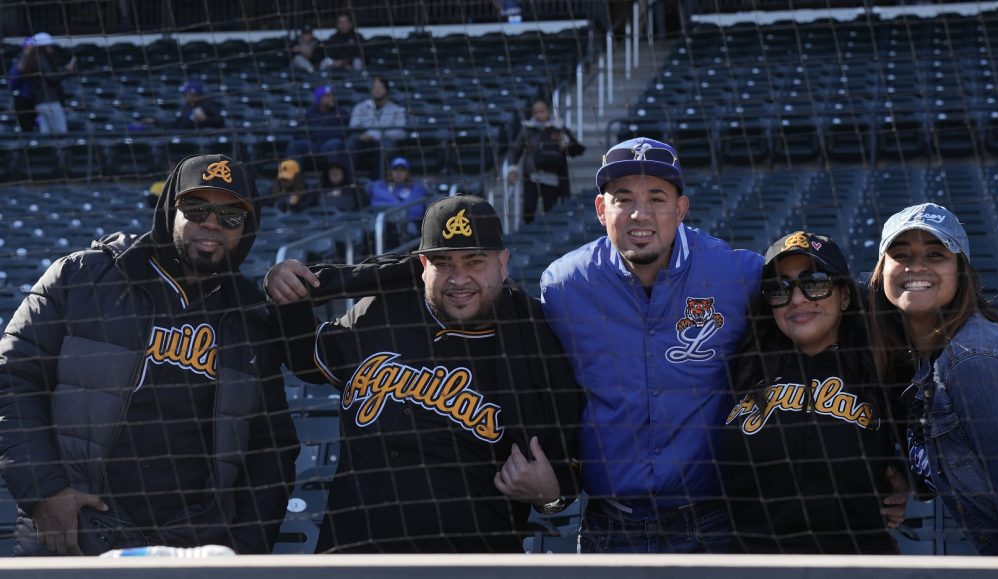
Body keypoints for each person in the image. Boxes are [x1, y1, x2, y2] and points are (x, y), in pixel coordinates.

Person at [0, 154, 298, 556]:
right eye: (196, 208)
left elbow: (271, 450)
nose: (212, 223)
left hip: (194, 547)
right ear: (170, 210)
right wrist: (45, 492)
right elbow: (12, 379)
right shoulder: (80, 277)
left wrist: (243, 549)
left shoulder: (252, 320)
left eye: (231, 215)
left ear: (247, 228)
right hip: (72, 533)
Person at [265, 195, 583, 553]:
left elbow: (566, 480)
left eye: (475, 261)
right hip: (354, 557)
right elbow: (307, 361)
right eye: (443, 263)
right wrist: (284, 288)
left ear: (502, 263)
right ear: (422, 265)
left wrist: (549, 497)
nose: (458, 279)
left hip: (472, 563)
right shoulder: (380, 311)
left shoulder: (536, 342)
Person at [539, 137, 762, 553]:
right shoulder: (564, 285)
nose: (640, 214)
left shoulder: (739, 275)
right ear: (601, 209)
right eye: (623, 199)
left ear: (681, 208)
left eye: (657, 198)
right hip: (608, 524)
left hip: (711, 522)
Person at [723, 231, 907, 554]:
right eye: (779, 289)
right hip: (752, 564)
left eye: (815, 283)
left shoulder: (885, 368)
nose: (797, 299)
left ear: (845, 296)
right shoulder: (741, 368)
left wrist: (904, 475)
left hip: (857, 565)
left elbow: (928, 449)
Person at [868, 202, 998, 556]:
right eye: (901, 254)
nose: (916, 266)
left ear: (961, 272)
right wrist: (905, 472)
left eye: (935, 254)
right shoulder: (920, 354)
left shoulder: (975, 360)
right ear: (882, 272)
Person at [506, 98, 584, 224]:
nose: (539, 114)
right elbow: (515, 150)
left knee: (551, 210)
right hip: (532, 175)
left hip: (554, 176)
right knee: (529, 209)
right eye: (535, 112)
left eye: (542, 111)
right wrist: (512, 168)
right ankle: (529, 230)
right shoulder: (527, 129)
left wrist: (564, 140)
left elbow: (577, 149)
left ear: (548, 111)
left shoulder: (558, 127)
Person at [347, 76, 406, 181]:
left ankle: (378, 181)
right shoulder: (360, 107)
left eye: (380, 87)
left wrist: (376, 134)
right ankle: (349, 179)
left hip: (383, 142)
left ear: (386, 90)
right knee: (351, 142)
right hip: (363, 140)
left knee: (388, 145)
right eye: (374, 87)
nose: (377, 90)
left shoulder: (397, 110)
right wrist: (365, 134)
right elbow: (353, 126)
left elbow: (401, 132)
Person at [16, 32, 74, 134]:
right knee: (60, 133)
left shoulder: (31, 60)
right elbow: (52, 77)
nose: (51, 49)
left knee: (45, 134)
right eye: (49, 46)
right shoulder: (41, 59)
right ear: (44, 47)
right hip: (50, 102)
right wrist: (66, 70)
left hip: (39, 103)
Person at [286, 86, 349, 172]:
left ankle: (333, 177)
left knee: (335, 143)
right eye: (327, 96)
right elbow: (299, 131)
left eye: (332, 95)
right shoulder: (310, 112)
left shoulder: (341, 112)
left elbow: (346, 131)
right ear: (320, 98)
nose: (332, 98)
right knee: (294, 145)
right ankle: (295, 177)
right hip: (313, 144)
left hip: (330, 143)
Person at [368, 157, 429, 238]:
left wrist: (391, 206)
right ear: (391, 172)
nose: (398, 173)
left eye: (402, 170)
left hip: (408, 225)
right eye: (395, 170)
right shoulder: (380, 186)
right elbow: (375, 204)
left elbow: (416, 211)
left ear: (407, 173)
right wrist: (400, 206)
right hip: (385, 225)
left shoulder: (416, 188)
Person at [8, 36, 37, 133]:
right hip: (24, 100)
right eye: (27, 48)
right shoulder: (18, 63)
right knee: (26, 129)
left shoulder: (40, 62)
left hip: (39, 99)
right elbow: (13, 83)